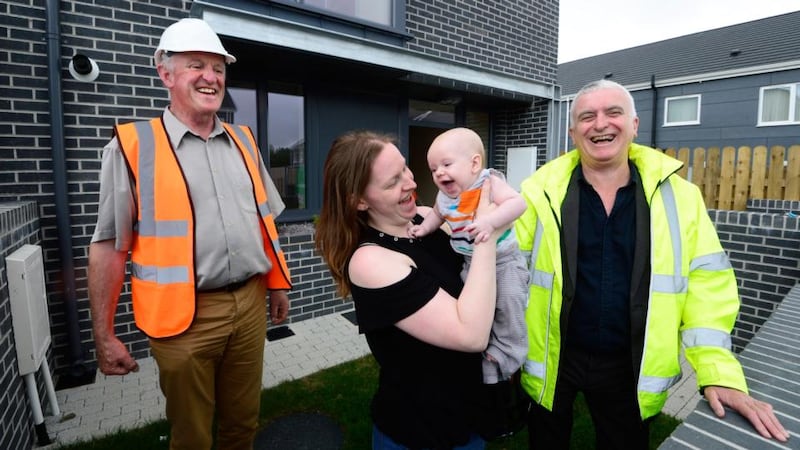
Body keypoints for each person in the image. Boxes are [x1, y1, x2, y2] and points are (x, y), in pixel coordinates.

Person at [515, 79, 790, 449]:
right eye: (587, 116)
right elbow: (502, 257)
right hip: (554, 357)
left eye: (613, 113)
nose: (600, 124)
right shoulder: (537, 191)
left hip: (630, 364)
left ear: (634, 125)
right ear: (572, 131)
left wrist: (719, 374)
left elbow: (707, 286)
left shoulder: (682, 197)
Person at [88, 18, 292, 450]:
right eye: (196, 65)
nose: (210, 77)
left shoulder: (245, 141)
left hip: (250, 306)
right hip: (183, 322)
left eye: (218, 68)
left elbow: (264, 224)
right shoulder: (132, 145)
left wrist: (277, 285)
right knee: (192, 435)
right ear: (165, 74)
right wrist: (104, 336)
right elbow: (109, 246)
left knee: (243, 424)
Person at [315, 130, 510, 449]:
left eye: (405, 168)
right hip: (421, 430)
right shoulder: (370, 261)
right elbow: (470, 334)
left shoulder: (425, 219)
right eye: (393, 182)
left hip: (467, 413)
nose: (411, 182)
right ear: (359, 200)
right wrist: (487, 233)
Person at [408, 127, 528, 385]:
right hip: (471, 262)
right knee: (477, 309)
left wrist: (490, 222)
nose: (439, 172)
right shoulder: (444, 196)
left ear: (474, 164)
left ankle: (506, 355)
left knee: (508, 304)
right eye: (433, 168)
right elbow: (437, 215)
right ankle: (486, 347)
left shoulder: (488, 182)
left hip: (504, 261)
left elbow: (518, 204)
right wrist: (423, 228)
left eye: (446, 164)